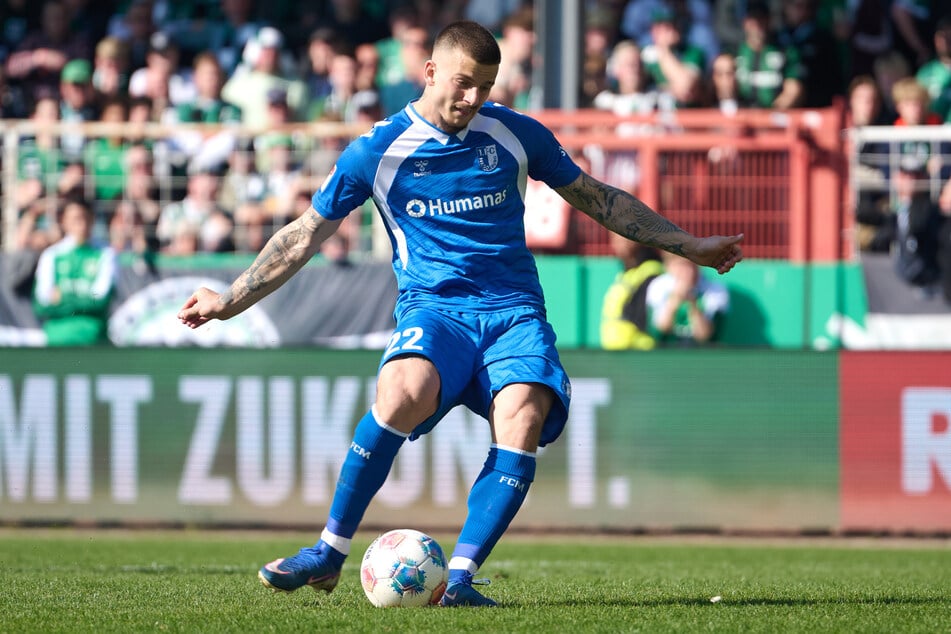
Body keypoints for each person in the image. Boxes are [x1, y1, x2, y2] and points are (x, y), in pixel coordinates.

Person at [178, 20, 743, 608]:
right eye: (463, 83)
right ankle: (328, 551)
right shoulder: (378, 149)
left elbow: (598, 198)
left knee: (523, 413)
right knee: (402, 391)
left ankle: (461, 580)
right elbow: (304, 236)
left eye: (486, 86)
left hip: (513, 310)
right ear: (429, 72)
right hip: (435, 308)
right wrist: (228, 300)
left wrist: (688, 245)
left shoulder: (515, 133)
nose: (473, 99)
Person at [33, 196, 117, 346]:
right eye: (75, 219)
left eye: (84, 218)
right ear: (64, 221)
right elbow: (41, 304)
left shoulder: (105, 254)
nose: (81, 224)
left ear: (92, 220)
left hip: (93, 338)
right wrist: (83, 299)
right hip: (56, 338)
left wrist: (63, 298)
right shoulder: (52, 255)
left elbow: (100, 300)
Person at [645, 253, 731, 345]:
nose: (689, 271)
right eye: (681, 265)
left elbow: (706, 337)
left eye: (692, 265)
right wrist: (675, 300)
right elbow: (658, 334)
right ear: (669, 267)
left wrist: (692, 303)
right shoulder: (658, 286)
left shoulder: (716, 290)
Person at [600, 232, 664, 350]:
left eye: (621, 238)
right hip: (619, 351)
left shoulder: (651, 271)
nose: (616, 244)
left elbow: (643, 316)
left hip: (638, 352)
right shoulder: (628, 272)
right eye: (614, 239)